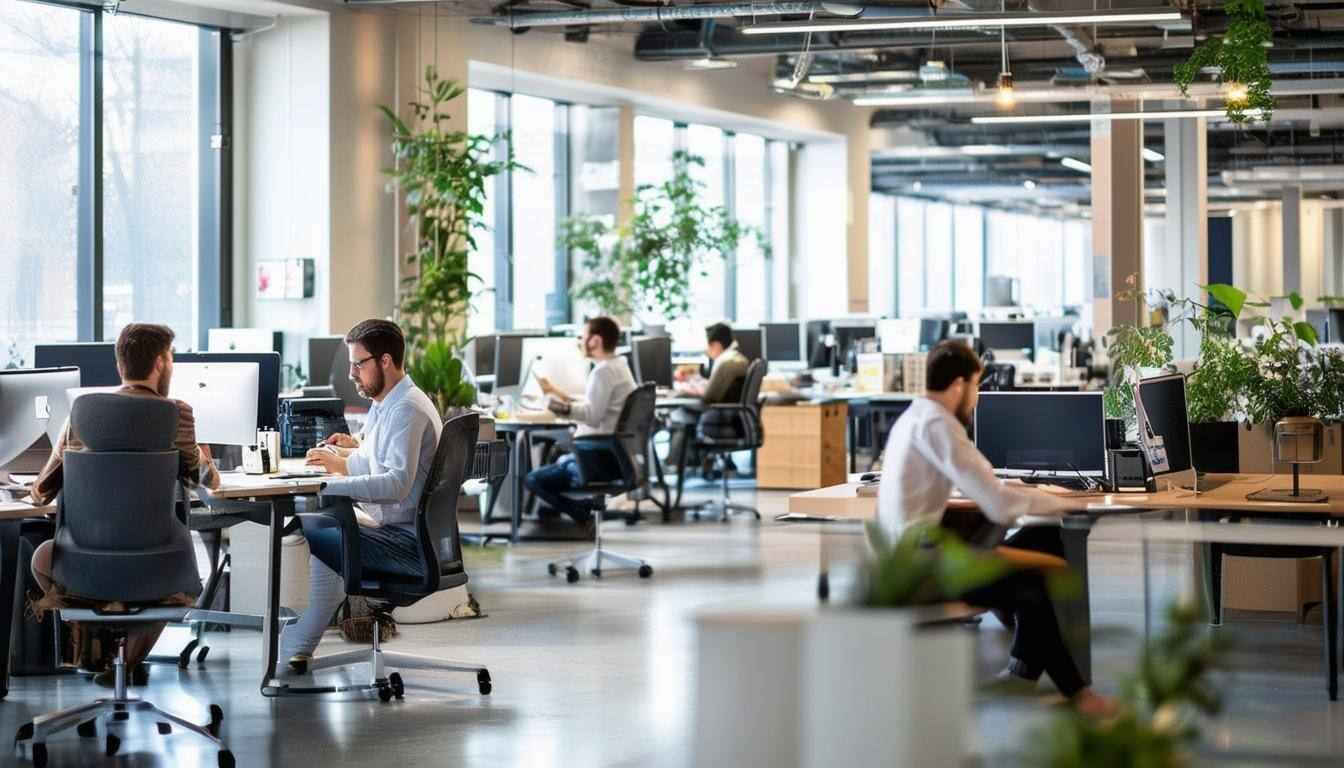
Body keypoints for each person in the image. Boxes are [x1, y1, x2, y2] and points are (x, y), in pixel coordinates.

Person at [877, 340, 1115, 716]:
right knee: (1033, 583)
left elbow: (990, 494)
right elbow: (998, 503)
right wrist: (1067, 502)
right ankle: (1078, 695)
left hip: (917, 553)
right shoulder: (939, 424)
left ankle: (1025, 668)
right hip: (923, 568)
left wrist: (1041, 502)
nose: (976, 398)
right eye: (976, 386)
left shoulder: (915, 417)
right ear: (959, 386)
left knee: (1043, 534)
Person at [29, 322, 221, 686]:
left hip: (85, 564)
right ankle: (125, 662)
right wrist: (204, 459)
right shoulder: (176, 414)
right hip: (157, 566)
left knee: (41, 557)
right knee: (178, 581)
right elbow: (206, 484)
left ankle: (95, 646)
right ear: (163, 363)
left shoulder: (82, 414)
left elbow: (42, 491)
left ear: (120, 366)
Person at [281, 319, 443, 673]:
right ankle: (300, 644)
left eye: (359, 364)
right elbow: (374, 456)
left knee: (319, 530)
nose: (352, 373)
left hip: (407, 544)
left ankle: (299, 643)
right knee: (326, 528)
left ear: (385, 361)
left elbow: (396, 484)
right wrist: (341, 459)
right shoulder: (390, 401)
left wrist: (327, 483)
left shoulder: (407, 409)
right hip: (401, 528)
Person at [524, 316, 636, 531]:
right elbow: (595, 406)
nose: (580, 342)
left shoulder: (602, 372)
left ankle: (580, 511)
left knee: (533, 479)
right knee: (556, 455)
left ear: (595, 341)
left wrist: (553, 406)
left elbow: (592, 415)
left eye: (582, 337)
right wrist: (556, 393)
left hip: (596, 460)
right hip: (612, 455)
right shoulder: (618, 365)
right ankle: (575, 509)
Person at [668, 322, 750, 471]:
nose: (706, 351)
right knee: (680, 409)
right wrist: (695, 383)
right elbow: (716, 390)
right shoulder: (732, 358)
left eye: (708, 346)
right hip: (726, 415)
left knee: (676, 407)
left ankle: (676, 464)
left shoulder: (726, 362)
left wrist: (683, 392)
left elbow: (708, 397)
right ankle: (684, 462)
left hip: (719, 416)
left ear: (717, 345)